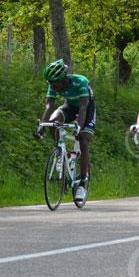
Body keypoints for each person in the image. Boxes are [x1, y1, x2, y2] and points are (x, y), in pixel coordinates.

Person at [34, 59, 96, 202]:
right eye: (50, 83)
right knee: (53, 123)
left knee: (83, 140)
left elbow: (83, 107)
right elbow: (49, 106)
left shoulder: (80, 81)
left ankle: (82, 184)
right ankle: (62, 153)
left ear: (63, 79)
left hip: (86, 109)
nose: (53, 86)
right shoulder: (53, 84)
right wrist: (41, 127)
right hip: (69, 107)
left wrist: (78, 127)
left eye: (55, 83)